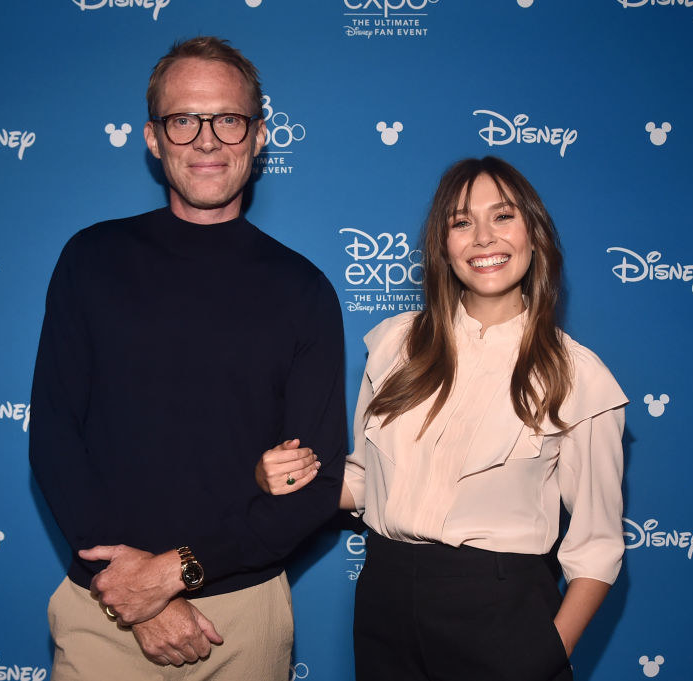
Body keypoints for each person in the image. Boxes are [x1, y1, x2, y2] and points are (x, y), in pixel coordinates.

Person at [29, 36, 346, 680]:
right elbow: (56, 437)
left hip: (241, 620)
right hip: (104, 610)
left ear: (257, 137)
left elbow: (315, 485)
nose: (207, 140)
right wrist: (135, 597)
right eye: (184, 119)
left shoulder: (303, 289)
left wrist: (172, 573)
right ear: (153, 137)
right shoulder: (91, 260)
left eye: (228, 118)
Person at [257, 156, 627, 681]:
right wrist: (292, 476)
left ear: (534, 234)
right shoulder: (394, 344)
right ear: (443, 247)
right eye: (460, 222)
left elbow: (597, 548)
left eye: (502, 217)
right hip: (385, 603)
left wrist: (544, 656)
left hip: (504, 617)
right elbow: (364, 482)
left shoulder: (578, 375)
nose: (482, 237)